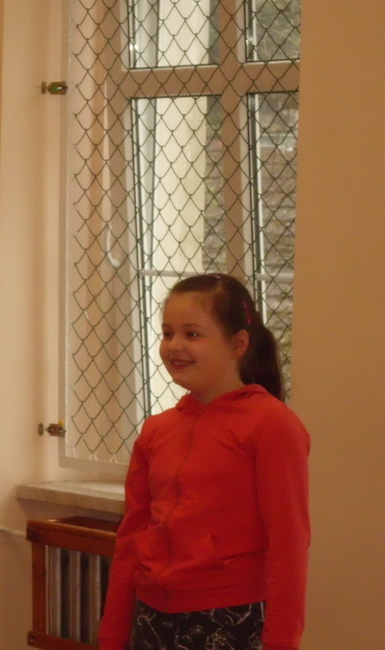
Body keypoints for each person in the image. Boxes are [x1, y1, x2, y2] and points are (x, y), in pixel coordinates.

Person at [98, 274, 310, 650]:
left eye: (192, 334)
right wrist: (112, 636)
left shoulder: (272, 425)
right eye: (167, 333)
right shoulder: (157, 430)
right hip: (152, 617)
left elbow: (288, 544)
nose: (174, 345)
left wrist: (282, 643)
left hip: (233, 616)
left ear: (238, 344)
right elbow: (130, 538)